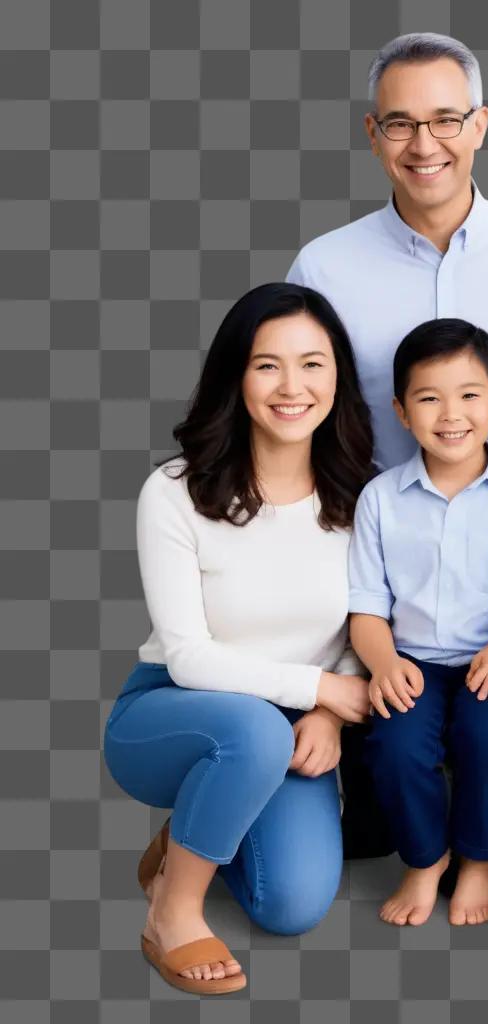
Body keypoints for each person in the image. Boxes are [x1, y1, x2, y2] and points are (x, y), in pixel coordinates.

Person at [102, 284, 374, 994]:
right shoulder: (175, 490)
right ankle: (173, 912)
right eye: (267, 366)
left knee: (291, 905)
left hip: (290, 725)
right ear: (235, 376)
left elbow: (366, 630)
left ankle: (192, 835)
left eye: (313, 364)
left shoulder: (362, 498)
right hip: (170, 714)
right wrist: (322, 690)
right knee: (252, 733)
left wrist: (327, 717)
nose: (293, 387)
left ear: (338, 375)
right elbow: (189, 655)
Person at [286, 32, 488, 483]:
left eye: (446, 120)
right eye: (399, 123)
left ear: (480, 125)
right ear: (373, 135)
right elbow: (288, 420)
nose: (423, 145)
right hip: (369, 539)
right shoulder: (321, 269)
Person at [347, 319, 488, 927]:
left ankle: (482, 857)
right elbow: (368, 605)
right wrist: (384, 663)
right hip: (413, 659)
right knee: (396, 744)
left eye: (470, 395)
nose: (451, 414)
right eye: (429, 397)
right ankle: (426, 858)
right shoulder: (380, 498)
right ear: (401, 411)